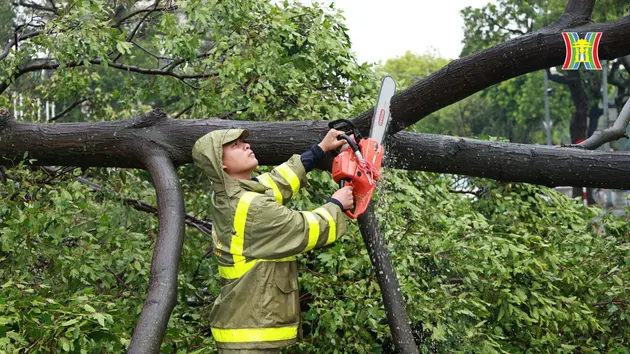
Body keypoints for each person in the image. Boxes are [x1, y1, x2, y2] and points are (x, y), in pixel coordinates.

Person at [191, 127, 354, 353]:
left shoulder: (229, 195)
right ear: (221, 164)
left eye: (243, 142)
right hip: (250, 335)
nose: (246, 145)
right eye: (234, 146)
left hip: (245, 327)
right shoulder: (252, 208)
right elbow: (304, 229)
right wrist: (336, 204)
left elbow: (275, 182)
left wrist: (319, 151)